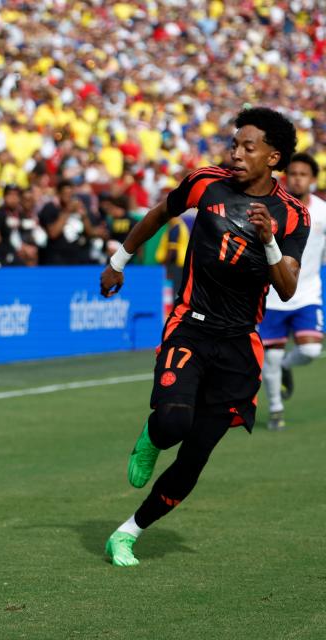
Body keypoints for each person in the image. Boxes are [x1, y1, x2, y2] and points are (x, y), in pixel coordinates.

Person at [99, 108, 309, 567]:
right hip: (191, 326)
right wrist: (119, 261)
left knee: (194, 458)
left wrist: (269, 239)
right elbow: (159, 214)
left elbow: (287, 287)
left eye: (247, 147)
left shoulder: (294, 215)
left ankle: (127, 533)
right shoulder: (204, 182)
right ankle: (152, 437)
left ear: (273, 157)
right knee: (173, 425)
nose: (235, 153)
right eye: (234, 144)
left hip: (239, 345)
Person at [258, 153, 326, 431]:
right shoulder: (273, 207)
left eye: (303, 174)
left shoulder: (322, 211)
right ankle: (275, 408)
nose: (297, 178)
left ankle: (288, 364)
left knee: (310, 349)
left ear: (312, 179)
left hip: (307, 293)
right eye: (293, 173)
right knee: (269, 357)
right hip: (273, 296)